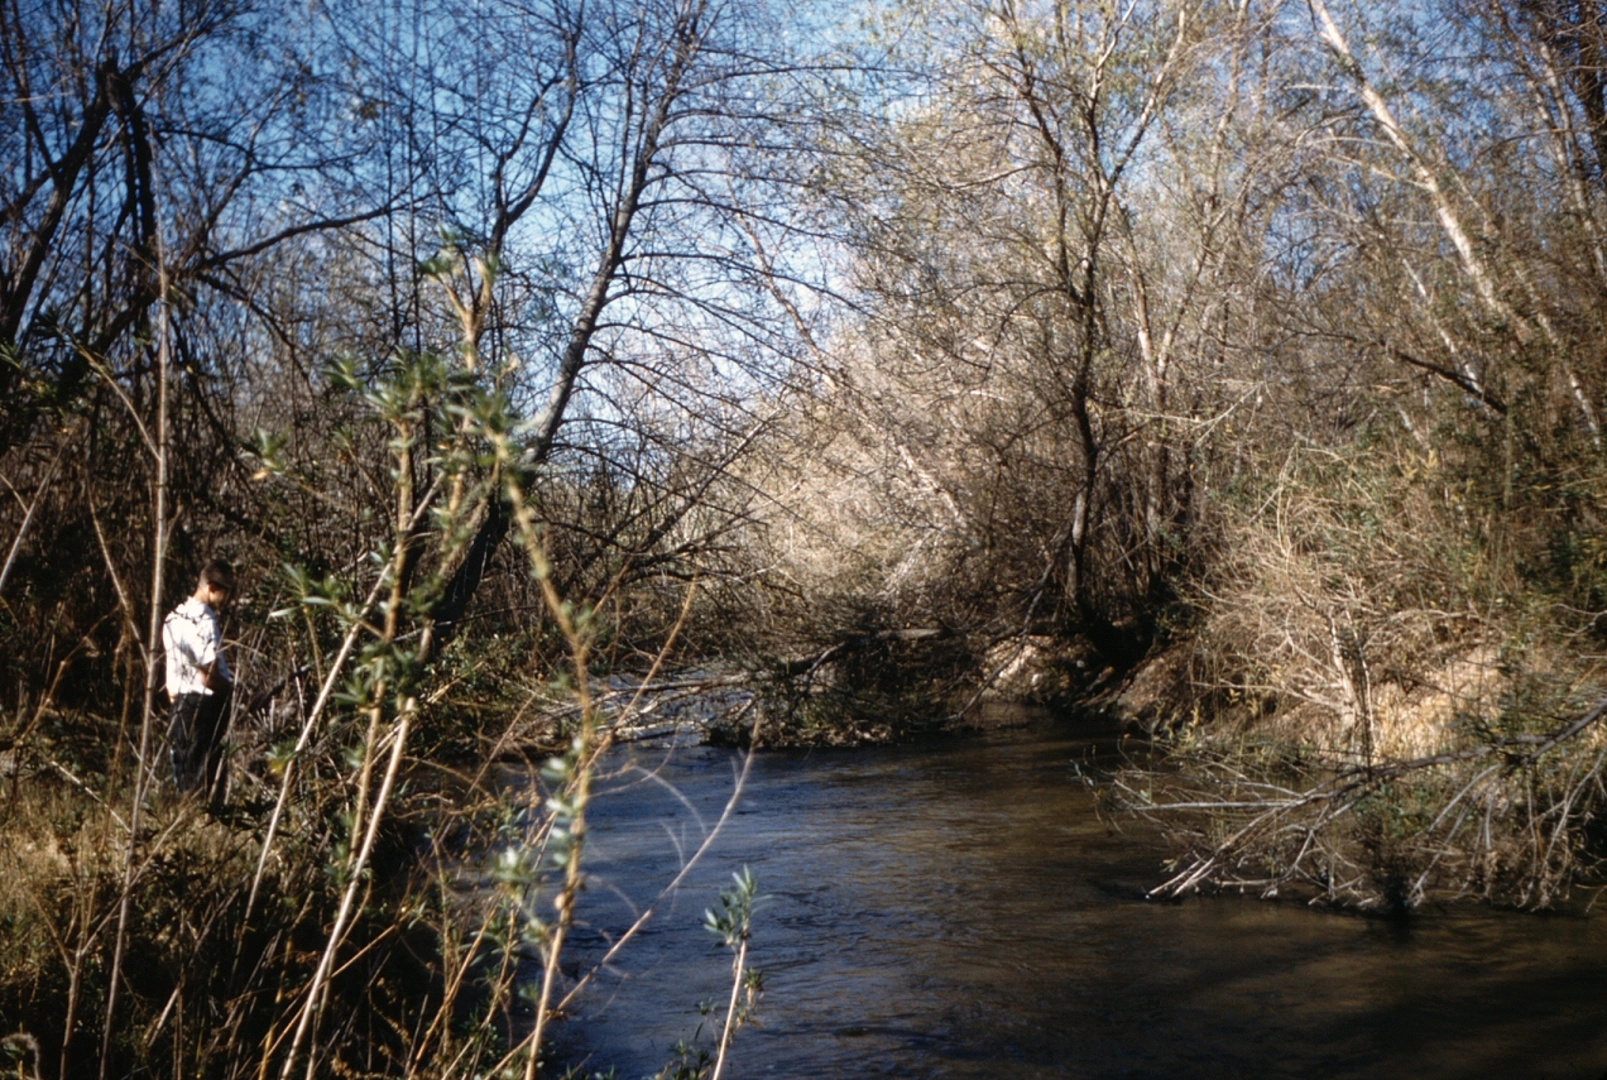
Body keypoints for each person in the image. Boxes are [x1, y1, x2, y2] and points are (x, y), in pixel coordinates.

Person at [163, 558, 235, 805]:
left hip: (180, 704)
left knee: (184, 774)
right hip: (205, 706)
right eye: (226, 591)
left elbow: (172, 675)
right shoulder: (204, 621)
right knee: (207, 775)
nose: (227, 599)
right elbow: (209, 675)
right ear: (212, 588)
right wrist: (233, 692)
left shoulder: (173, 618)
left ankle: (188, 824)